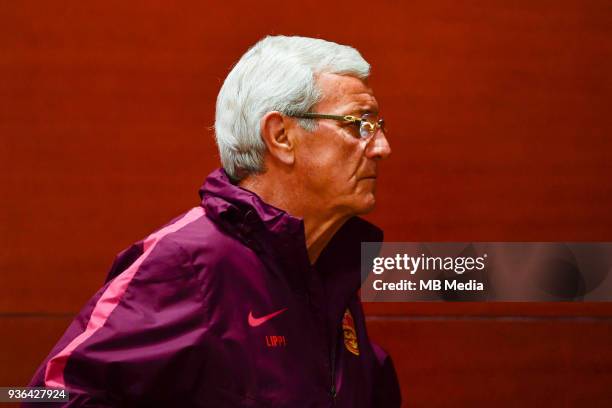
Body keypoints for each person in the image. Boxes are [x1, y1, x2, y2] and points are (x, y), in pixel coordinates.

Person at [27, 35, 401, 407]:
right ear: (281, 136)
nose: (381, 147)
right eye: (358, 125)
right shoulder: (188, 261)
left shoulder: (327, 264)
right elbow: (46, 396)